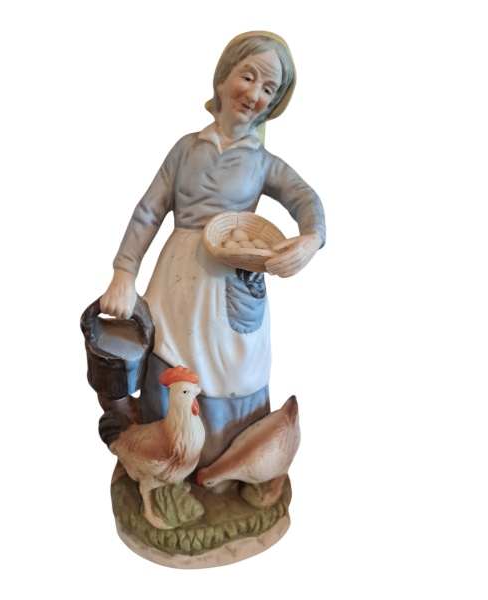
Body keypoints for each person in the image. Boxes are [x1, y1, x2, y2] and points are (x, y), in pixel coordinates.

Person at [99, 31, 326, 466]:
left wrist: (311, 238)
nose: (255, 95)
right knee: (169, 351)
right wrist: (124, 272)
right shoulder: (187, 148)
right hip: (176, 283)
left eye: (269, 89)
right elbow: (148, 211)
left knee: (233, 365)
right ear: (222, 78)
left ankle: (225, 463)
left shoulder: (262, 162)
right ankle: (169, 458)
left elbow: (304, 197)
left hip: (233, 283)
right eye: (249, 77)